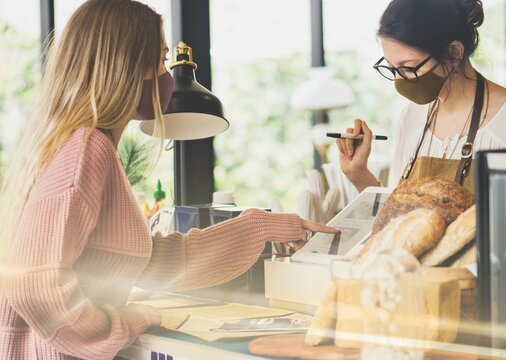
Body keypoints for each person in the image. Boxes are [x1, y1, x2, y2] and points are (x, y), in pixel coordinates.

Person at [0, 1, 337, 359]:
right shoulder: (86, 149)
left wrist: (260, 226)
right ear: (127, 66)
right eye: (161, 61)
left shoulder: (70, 144)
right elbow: (35, 282)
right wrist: (117, 326)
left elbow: (148, 263)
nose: (166, 77)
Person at [338, 0, 506, 193]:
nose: (400, 80)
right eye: (392, 69)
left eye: (408, 68)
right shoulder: (411, 117)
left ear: (454, 52)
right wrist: (359, 174)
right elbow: (397, 218)